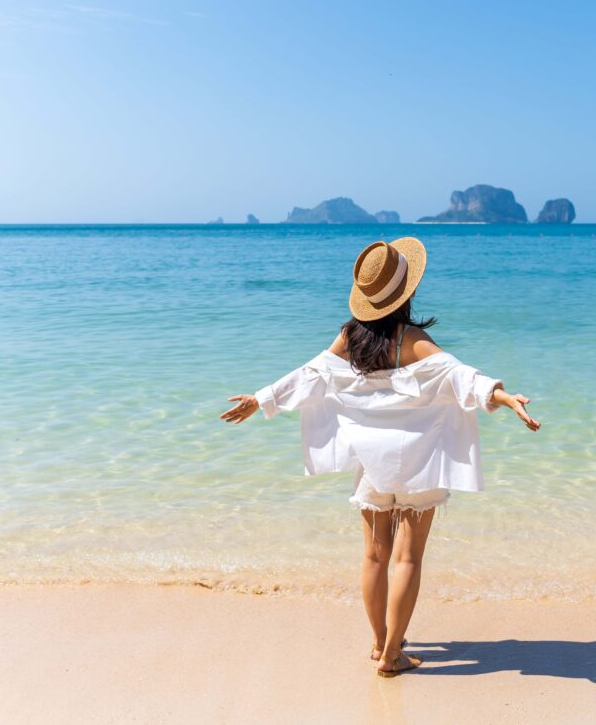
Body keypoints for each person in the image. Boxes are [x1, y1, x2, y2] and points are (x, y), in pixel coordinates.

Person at [221, 237, 540, 677]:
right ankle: (393, 655)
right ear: (406, 292)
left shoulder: (350, 336)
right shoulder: (413, 338)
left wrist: (261, 399)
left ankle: (378, 643)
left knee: (374, 556)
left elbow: (310, 374)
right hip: (419, 460)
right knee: (407, 558)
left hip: (371, 461)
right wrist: (505, 397)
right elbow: (462, 376)